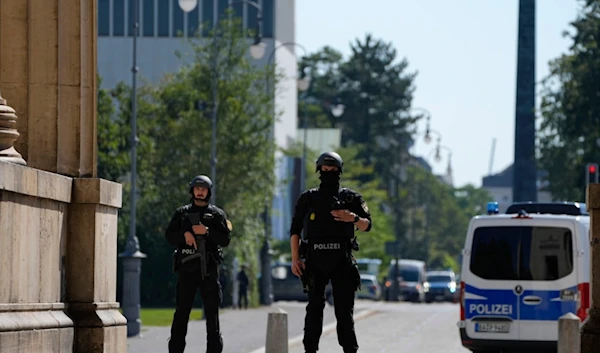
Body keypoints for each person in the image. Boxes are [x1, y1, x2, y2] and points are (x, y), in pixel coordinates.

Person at [289, 151, 372, 353]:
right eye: (325, 170)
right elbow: (294, 231)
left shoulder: (351, 198)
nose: (328, 173)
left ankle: (349, 350)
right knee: (314, 310)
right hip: (314, 260)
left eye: (332, 170)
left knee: (344, 313)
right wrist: (295, 259)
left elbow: (367, 225)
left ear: (339, 171)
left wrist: (351, 217)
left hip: (341, 261)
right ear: (319, 171)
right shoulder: (308, 199)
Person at [165, 175, 233, 353]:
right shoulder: (182, 214)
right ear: (192, 190)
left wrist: (207, 231)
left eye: (203, 189)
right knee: (181, 314)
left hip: (209, 271)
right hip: (187, 271)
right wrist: (184, 235)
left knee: (212, 315)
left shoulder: (217, 214)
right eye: (197, 189)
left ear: (208, 191)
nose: (200, 192)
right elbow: (169, 236)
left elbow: (225, 240)